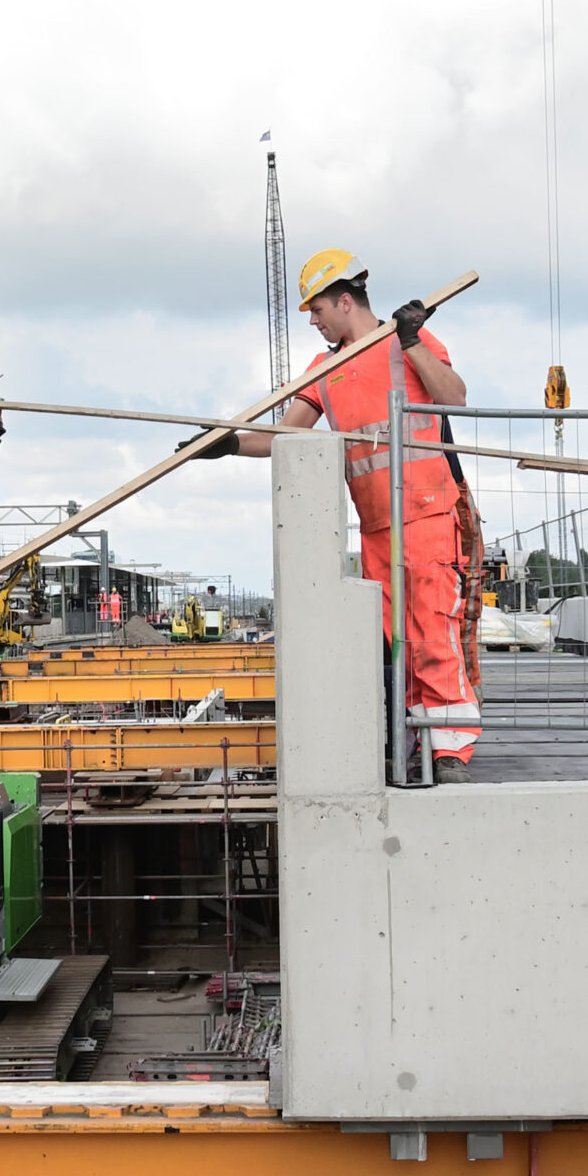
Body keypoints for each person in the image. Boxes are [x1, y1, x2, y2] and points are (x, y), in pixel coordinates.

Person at [189, 248, 482, 779]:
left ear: (345, 301)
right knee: (398, 641)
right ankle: (417, 739)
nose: (312, 319)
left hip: (427, 510)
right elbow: (288, 432)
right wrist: (229, 444)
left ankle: (452, 748)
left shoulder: (401, 341)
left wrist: (414, 340)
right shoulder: (326, 369)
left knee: (432, 629)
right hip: (376, 524)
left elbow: (454, 398)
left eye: (317, 308)